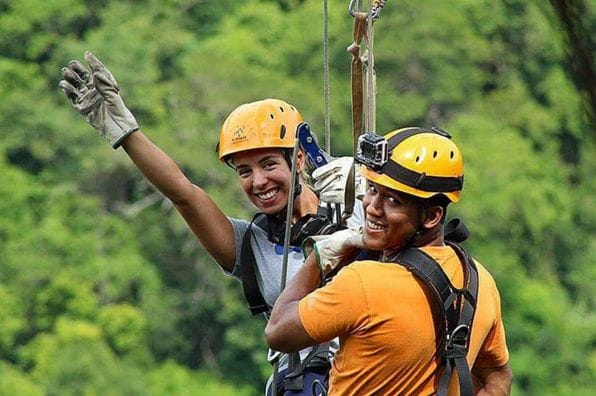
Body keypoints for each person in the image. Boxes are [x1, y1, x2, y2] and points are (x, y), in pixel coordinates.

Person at [59, 51, 364, 395]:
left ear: (300, 159)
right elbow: (185, 196)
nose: (258, 181)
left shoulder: (351, 201)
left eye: (268, 164)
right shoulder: (252, 244)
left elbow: (416, 230)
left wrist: (365, 188)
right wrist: (127, 134)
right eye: (244, 171)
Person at [265, 127, 513, 395]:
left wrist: (320, 255)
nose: (371, 207)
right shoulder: (478, 280)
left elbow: (278, 332)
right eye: (372, 189)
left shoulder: (363, 283)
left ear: (431, 216)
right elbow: (498, 379)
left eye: (392, 200)